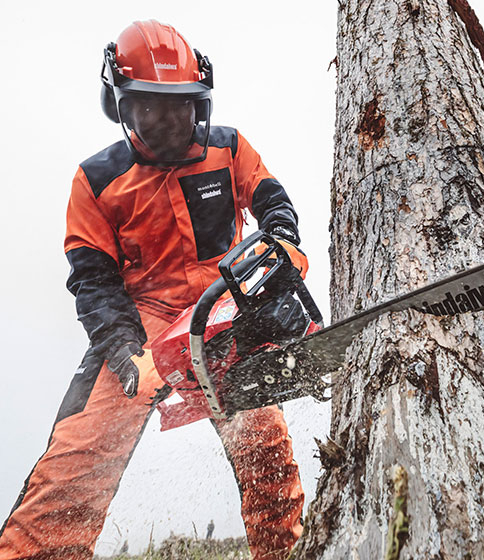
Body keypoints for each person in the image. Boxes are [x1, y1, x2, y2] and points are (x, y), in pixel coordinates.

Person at [0, 20, 308, 560]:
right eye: (150, 107)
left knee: (266, 449)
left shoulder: (229, 149)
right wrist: (123, 353)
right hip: (142, 321)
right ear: (120, 104)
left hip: (223, 308)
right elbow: (93, 280)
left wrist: (279, 248)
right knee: (78, 457)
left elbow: (273, 204)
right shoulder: (96, 181)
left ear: (200, 101)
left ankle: (283, 553)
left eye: (179, 106)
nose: (168, 121)